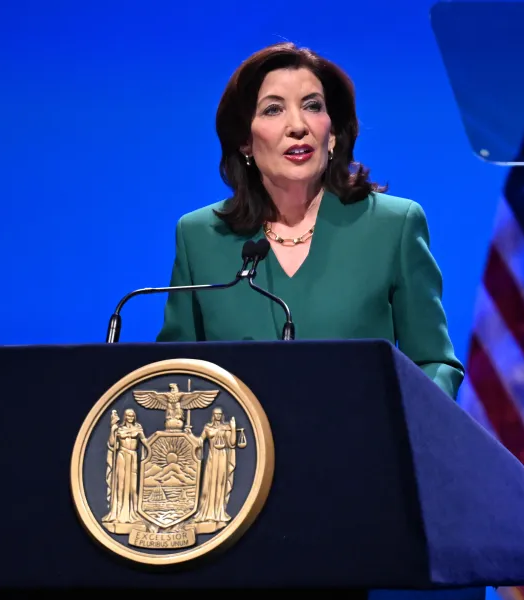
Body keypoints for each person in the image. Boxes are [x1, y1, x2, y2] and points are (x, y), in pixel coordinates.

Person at [156, 42, 464, 399]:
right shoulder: (200, 236)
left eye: (312, 106)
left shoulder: (393, 225)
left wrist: (405, 423)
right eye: (273, 110)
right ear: (244, 141)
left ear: (331, 133)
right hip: (243, 450)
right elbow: (174, 377)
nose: (298, 126)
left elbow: (434, 362)